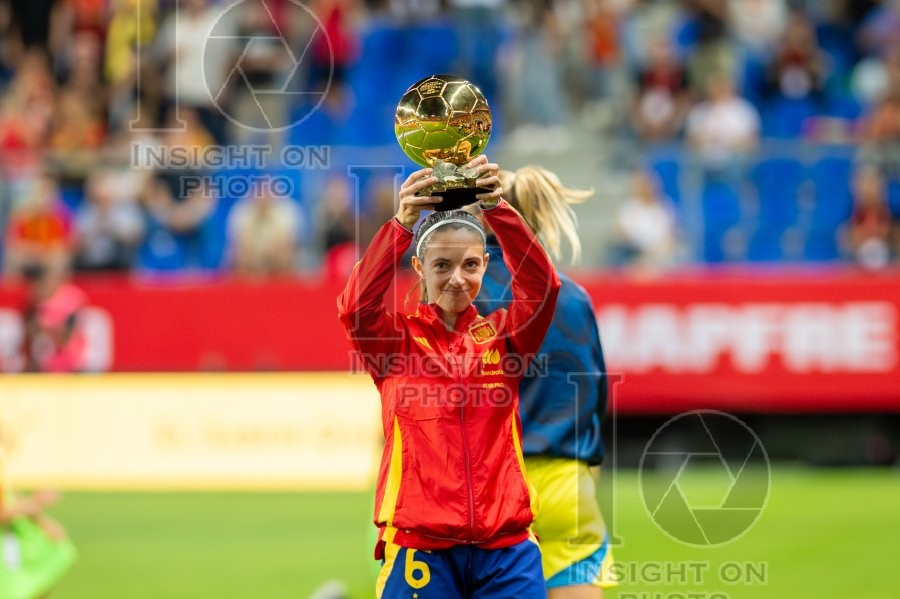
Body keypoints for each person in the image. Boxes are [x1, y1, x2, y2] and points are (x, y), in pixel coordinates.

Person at [337, 155, 561, 599]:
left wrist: (499, 210)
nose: (457, 279)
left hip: (508, 549)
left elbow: (543, 287)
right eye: (442, 266)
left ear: (483, 265)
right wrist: (401, 225)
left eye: (470, 266)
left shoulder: (504, 337)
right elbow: (354, 306)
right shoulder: (394, 344)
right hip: (421, 551)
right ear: (420, 269)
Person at [467, 166, 615, 597]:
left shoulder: (463, 294)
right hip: (567, 482)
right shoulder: (573, 296)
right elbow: (594, 398)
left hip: (492, 486)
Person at [0, 430, 77, 598]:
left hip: (12, 542)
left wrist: (40, 516)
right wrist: (35, 503)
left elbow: (12, 502)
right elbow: (4, 512)